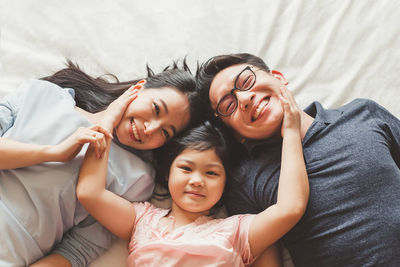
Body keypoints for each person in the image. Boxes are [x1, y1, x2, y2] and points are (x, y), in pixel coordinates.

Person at [196, 53, 400, 266]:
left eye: (247, 81)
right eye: (229, 105)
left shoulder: (363, 114)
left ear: (278, 77)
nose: (245, 99)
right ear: (237, 134)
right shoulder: (246, 181)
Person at [75, 84, 309, 267]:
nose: (197, 180)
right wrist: (107, 122)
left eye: (211, 173)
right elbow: (89, 192)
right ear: (167, 173)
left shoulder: (237, 231)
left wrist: (290, 133)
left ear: (225, 182)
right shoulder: (141, 220)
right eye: (186, 168)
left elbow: (290, 208)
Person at [0, 60, 202, 267]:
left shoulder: (137, 179)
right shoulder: (45, 94)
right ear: (139, 88)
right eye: (156, 109)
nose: (150, 128)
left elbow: (78, 250)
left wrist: (105, 127)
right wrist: (54, 153)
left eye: (165, 132)